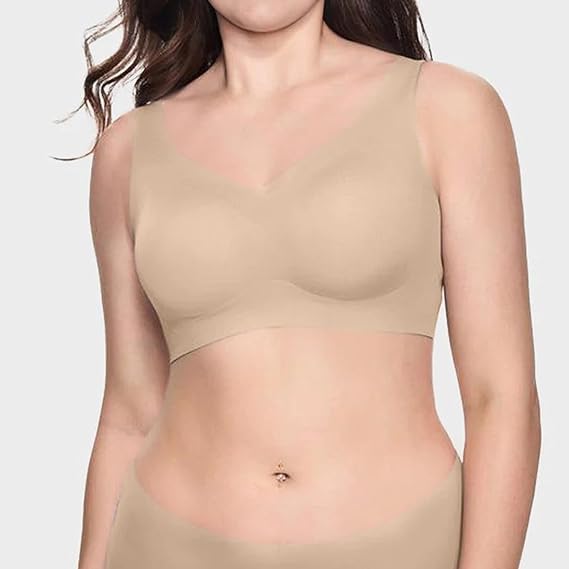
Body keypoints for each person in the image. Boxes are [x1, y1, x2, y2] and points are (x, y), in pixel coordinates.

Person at [73, 1, 541, 568]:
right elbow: (129, 413)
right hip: (162, 547)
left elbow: (500, 396)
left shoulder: (448, 109)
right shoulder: (127, 151)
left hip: (398, 548)